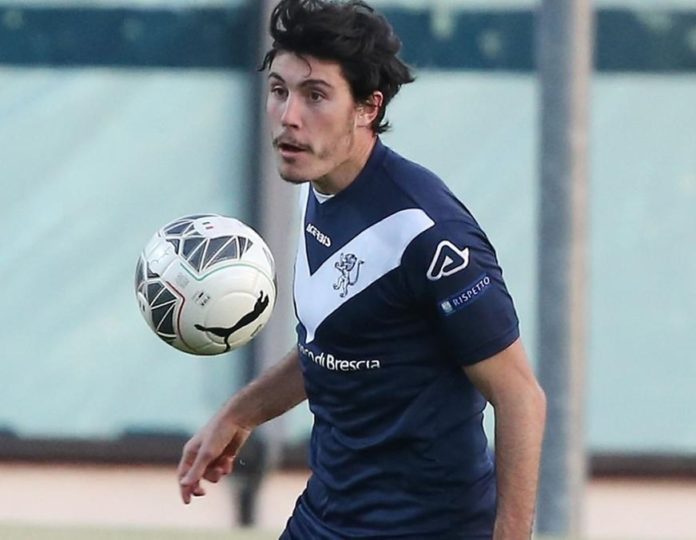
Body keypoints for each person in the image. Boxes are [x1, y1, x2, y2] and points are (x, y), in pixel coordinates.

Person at [177, 1, 547, 538]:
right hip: (327, 515)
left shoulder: (427, 232)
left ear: (367, 108)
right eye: (279, 90)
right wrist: (239, 413)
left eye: (315, 95)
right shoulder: (319, 185)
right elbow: (334, 343)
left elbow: (520, 398)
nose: (289, 116)